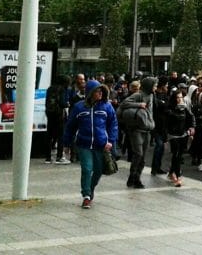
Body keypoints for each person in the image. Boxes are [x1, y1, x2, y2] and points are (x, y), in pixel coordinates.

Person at [63, 80, 118, 209]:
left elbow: (113, 124)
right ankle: (86, 196)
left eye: (101, 91)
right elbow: (70, 126)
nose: (100, 93)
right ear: (90, 93)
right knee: (87, 169)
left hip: (101, 144)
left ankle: (91, 188)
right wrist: (66, 143)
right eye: (97, 91)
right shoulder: (79, 107)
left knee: (98, 170)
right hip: (84, 144)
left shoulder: (107, 106)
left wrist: (111, 140)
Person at [120, 77, 158, 189]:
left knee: (143, 157)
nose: (155, 87)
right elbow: (124, 103)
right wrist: (139, 105)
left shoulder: (151, 96)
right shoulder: (139, 95)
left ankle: (136, 178)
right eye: (154, 85)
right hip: (136, 130)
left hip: (147, 129)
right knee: (138, 154)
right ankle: (133, 177)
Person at [166, 91, 195, 187]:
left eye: (181, 97)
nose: (180, 99)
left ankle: (171, 172)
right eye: (178, 97)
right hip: (173, 135)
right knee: (176, 155)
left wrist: (192, 127)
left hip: (183, 134)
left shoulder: (184, 107)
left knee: (179, 155)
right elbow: (171, 119)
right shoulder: (170, 108)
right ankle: (178, 176)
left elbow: (191, 116)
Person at [45, 75, 70, 164]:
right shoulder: (62, 89)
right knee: (60, 136)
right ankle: (59, 157)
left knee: (49, 135)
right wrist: (67, 104)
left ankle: (48, 158)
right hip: (59, 115)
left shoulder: (50, 88)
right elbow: (62, 103)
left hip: (50, 114)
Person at [151, 77, 169, 175]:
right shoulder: (154, 95)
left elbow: (166, 105)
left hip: (163, 125)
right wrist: (162, 104)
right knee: (159, 145)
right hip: (156, 125)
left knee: (162, 148)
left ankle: (158, 167)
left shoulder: (164, 95)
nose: (167, 87)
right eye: (166, 85)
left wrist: (163, 104)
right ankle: (154, 167)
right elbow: (157, 105)